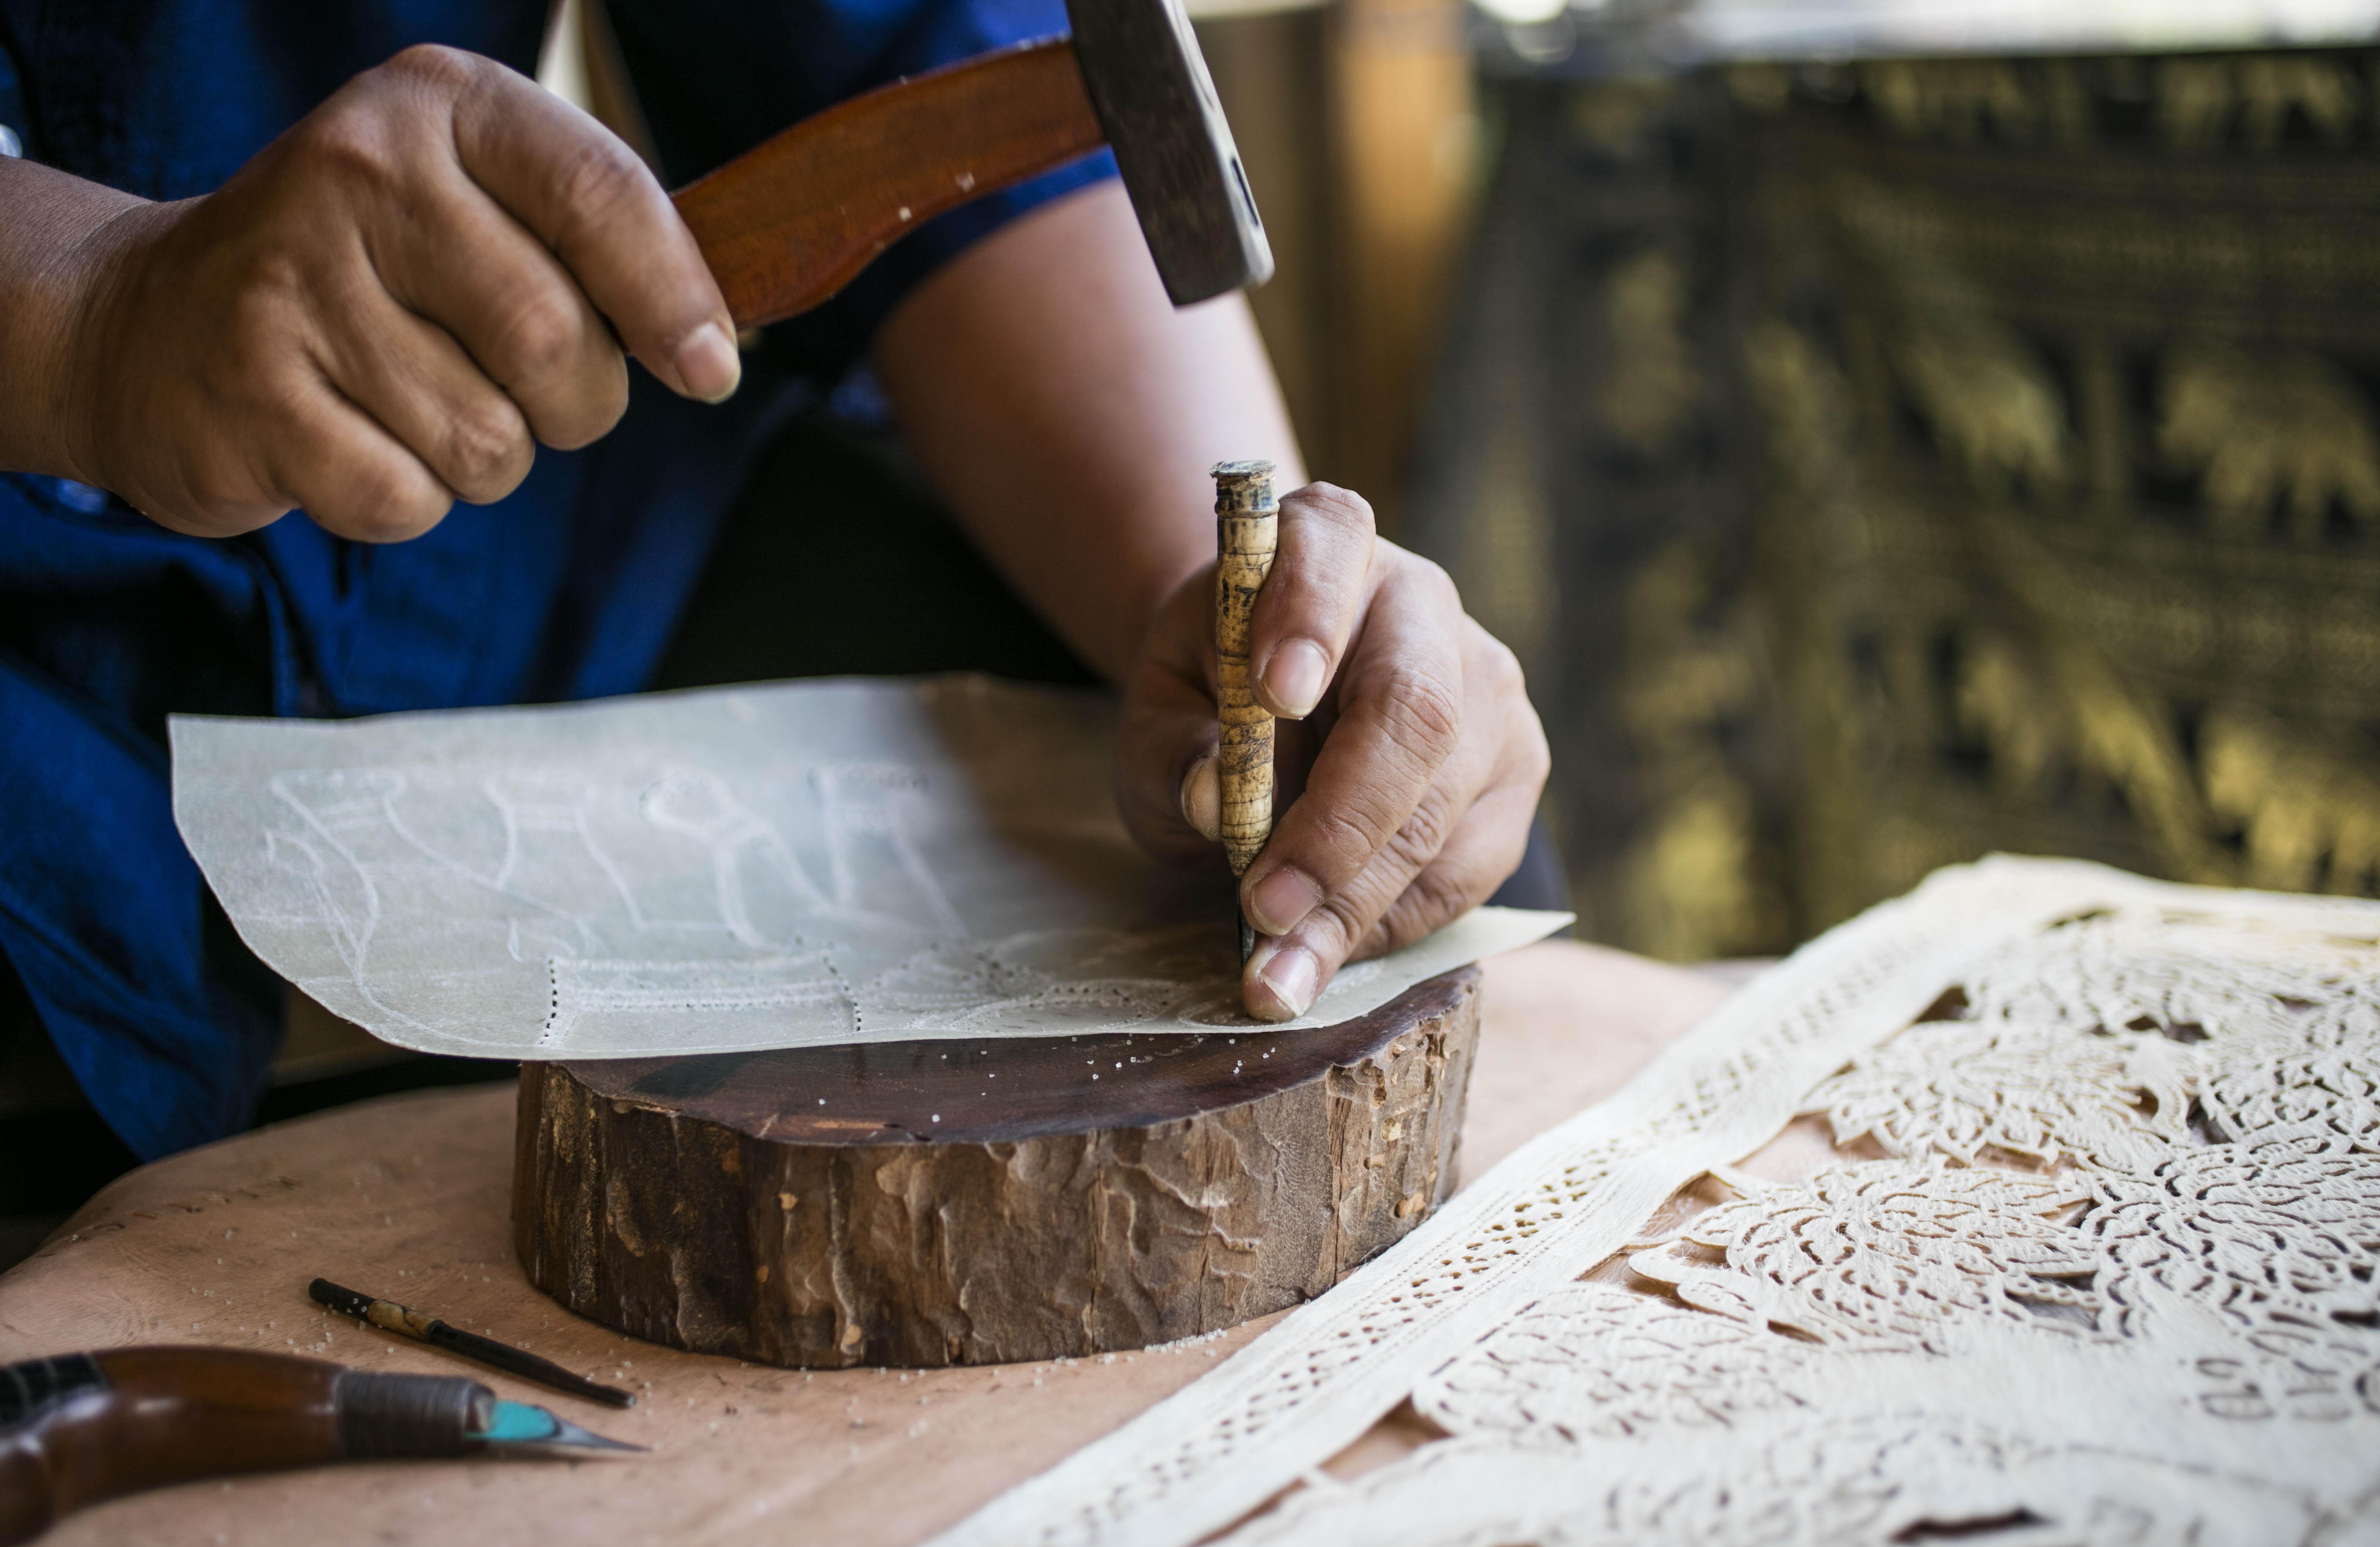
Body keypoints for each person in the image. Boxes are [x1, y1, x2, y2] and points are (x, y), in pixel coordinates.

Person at [0, 2, 1551, 1162]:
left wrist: (1238, 617)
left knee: (1396, 850)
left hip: (498, 541)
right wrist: (84, 306)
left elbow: (894, 38)